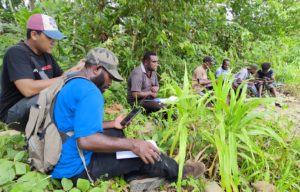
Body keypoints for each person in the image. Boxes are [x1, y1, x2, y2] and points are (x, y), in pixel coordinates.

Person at [52, 48, 205, 191]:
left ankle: (131, 173)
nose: (110, 83)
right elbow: (85, 140)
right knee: (141, 155)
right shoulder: (90, 92)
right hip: (75, 170)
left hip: (62, 152)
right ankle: (180, 172)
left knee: (116, 132)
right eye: (110, 77)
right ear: (97, 69)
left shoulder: (73, 81)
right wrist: (134, 145)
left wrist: (112, 124)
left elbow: (76, 124)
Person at [0, 13, 82, 130]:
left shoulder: (46, 55)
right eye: (49, 37)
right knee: (53, 96)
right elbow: (28, 89)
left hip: (36, 105)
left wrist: (76, 70)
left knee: (68, 89)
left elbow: (61, 78)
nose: (53, 42)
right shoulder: (16, 53)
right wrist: (66, 77)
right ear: (34, 34)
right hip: (13, 113)